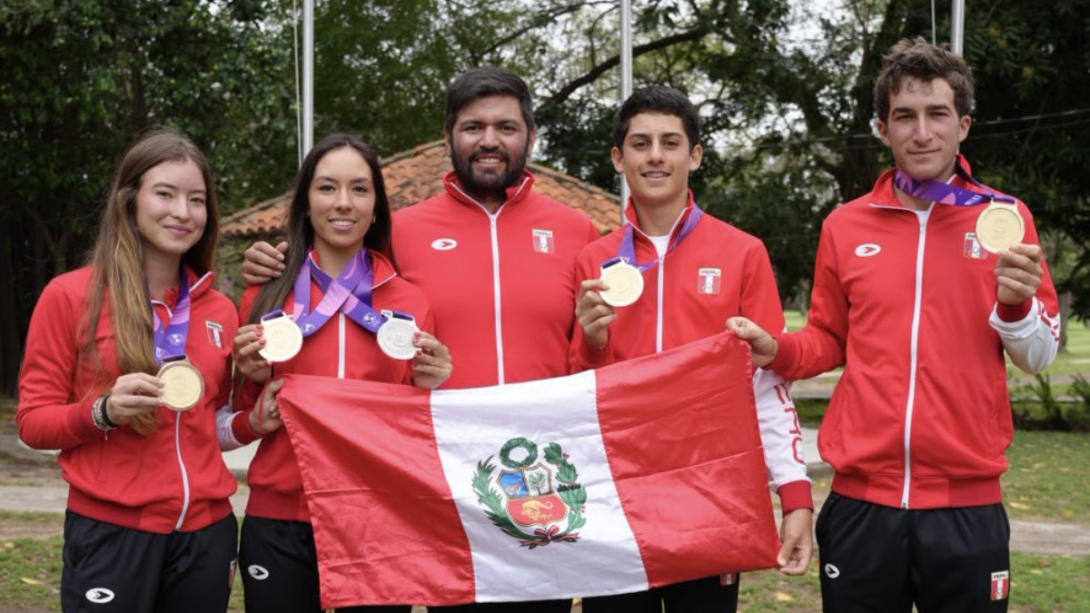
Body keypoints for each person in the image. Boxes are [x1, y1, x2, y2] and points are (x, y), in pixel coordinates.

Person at [241, 68, 599, 613]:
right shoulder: (400, 230)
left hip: (538, 483)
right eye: (472, 126)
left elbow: (588, 355)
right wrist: (272, 264)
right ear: (450, 135)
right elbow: (335, 256)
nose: (488, 140)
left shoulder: (578, 231)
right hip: (442, 486)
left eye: (505, 126)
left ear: (529, 133)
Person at [727, 38, 1060, 613]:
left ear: (964, 125)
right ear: (883, 128)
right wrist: (775, 348)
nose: (922, 132)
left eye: (937, 114)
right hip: (862, 506)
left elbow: (1039, 354)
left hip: (967, 508)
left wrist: (1013, 308)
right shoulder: (845, 224)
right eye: (904, 116)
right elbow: (828, 339)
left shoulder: (1006, 218)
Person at [570, 86, 813, 613]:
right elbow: (576, 392)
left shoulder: (743, 252)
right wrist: (590, 345)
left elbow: (767, 384)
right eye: (640, 143)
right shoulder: (591, 259)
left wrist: (794, 498)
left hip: (712, 503)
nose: (655, 155)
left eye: (670, 142)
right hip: (616, 507)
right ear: (619, 158)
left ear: (694, 155)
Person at [17, 129, 240, 612]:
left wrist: (251, 421)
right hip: (112, 533)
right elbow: (32, 423)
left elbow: (209, 425)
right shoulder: (71, 295)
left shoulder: (220, 309)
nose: (183, 212)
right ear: (130, 201)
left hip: (207, 534)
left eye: (197, 199)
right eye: (165, 194)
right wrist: (102, 412)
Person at [228, 133, 453, 613]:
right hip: (280, 516)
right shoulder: (262, 297)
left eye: (360, 189)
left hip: (379, 516)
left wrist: (432, 387)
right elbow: (244, 413)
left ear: (377, 207)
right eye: (327, 188)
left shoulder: (411, 303)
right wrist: (250, 379)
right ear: (306, 202)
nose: (343, 203)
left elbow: (421, 427)